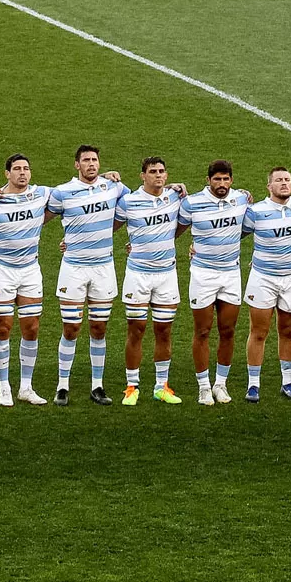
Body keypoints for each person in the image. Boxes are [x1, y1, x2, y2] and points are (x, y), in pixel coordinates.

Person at [47, 145, 129, 406]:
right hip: (73, 269)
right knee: (71, 328)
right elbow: (38, 217)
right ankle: (62, 386)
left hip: (104, 269)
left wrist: (174, 188)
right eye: (86, 160)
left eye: (95, 160)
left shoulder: (114, 187)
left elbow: (140, 203)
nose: (91, 164)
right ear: (76, 165)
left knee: (99, 328)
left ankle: (97, 386)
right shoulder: (62, 192)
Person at [177, 160, 252, 406]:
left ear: (232, 180)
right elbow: (173, 230)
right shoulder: (192, 203)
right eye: (217, 179)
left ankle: (220, 384)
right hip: (203, 274)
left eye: (226, 179)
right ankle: (203, 386)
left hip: (231, 274)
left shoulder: (241, 199)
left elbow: (247, 227)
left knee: (228, 330)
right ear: (208, 180)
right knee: (202, 330)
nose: (222, 184)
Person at [0, 154, 54, 406]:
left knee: (31, 327)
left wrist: (105, 177)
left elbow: (76, 193)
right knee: (2, 327)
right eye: (16, 169)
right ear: (6, 174)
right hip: (2, 270)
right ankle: (4, 387)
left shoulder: (41, 193)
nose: (22, 173)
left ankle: (26, 386)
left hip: (30, 270)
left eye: (26, 169)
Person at [115, 157, 186, 406]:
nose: (158, 175)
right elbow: (106, 226)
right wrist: (73, 242)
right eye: (153, 171)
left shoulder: (175, 197)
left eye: (162, 171)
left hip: (167, 274)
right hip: (138, 275)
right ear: (142, 176)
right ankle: (131, 386)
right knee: (136, 330)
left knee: (164, 330)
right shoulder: (128, 201)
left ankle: (160, 386)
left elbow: (188, 220)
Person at [243, 168, 291, 402]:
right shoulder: (256, 212)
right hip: (263, 278)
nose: (284, 184)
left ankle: (288, 382)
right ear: (269, 187)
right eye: (279, 181)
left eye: (287, 180)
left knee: (287, 330)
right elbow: (233, 233)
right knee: (259, 331)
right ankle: (253, 385)